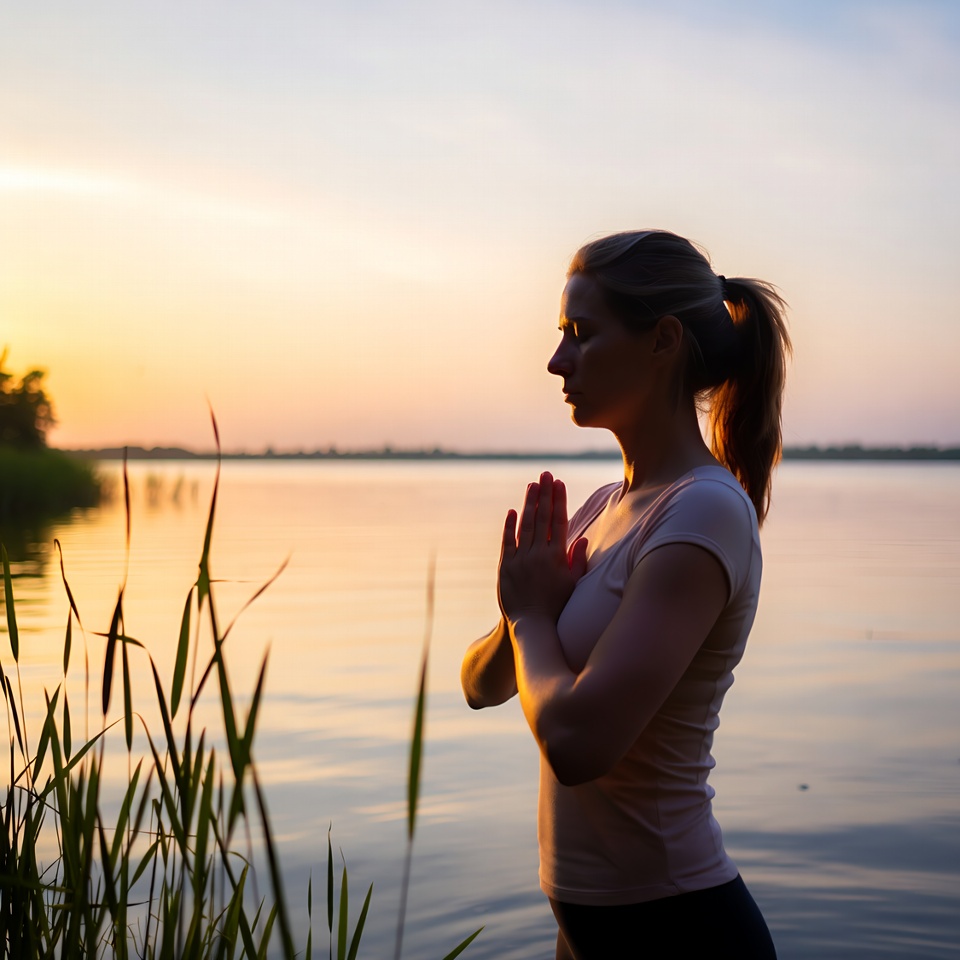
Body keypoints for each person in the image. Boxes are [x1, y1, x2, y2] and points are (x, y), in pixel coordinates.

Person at [460, 230, 789, 959]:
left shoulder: (702, 513)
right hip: (586, 928)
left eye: (582, 334)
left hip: (678, 930)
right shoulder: (605, 506)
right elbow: (480, 685)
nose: (556, 360)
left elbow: (578, 744)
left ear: (661, 341)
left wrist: (531, 617)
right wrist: (522, 613)